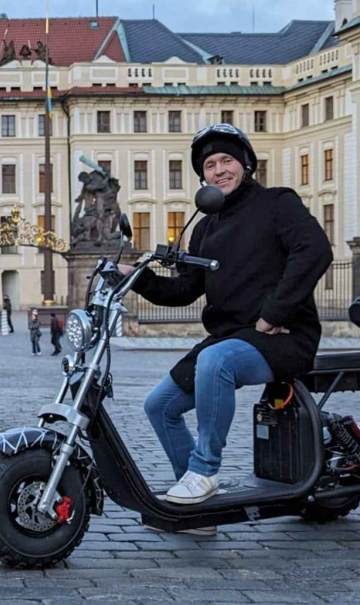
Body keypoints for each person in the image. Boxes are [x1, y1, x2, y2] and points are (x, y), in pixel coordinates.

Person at [118, 123, 332, 505]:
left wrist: (273, 312)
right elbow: (184, 290)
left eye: (227, 160)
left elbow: (314, 250)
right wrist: (137, 278)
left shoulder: (278, 203)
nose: (219, 170)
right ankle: (197, 506)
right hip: (232, 338)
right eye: (210, 164)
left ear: (246, 164)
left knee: (215, 360)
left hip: (282, 336)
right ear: (203, 175)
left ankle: (203, 471)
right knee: (159, 405)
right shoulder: (203, 228)